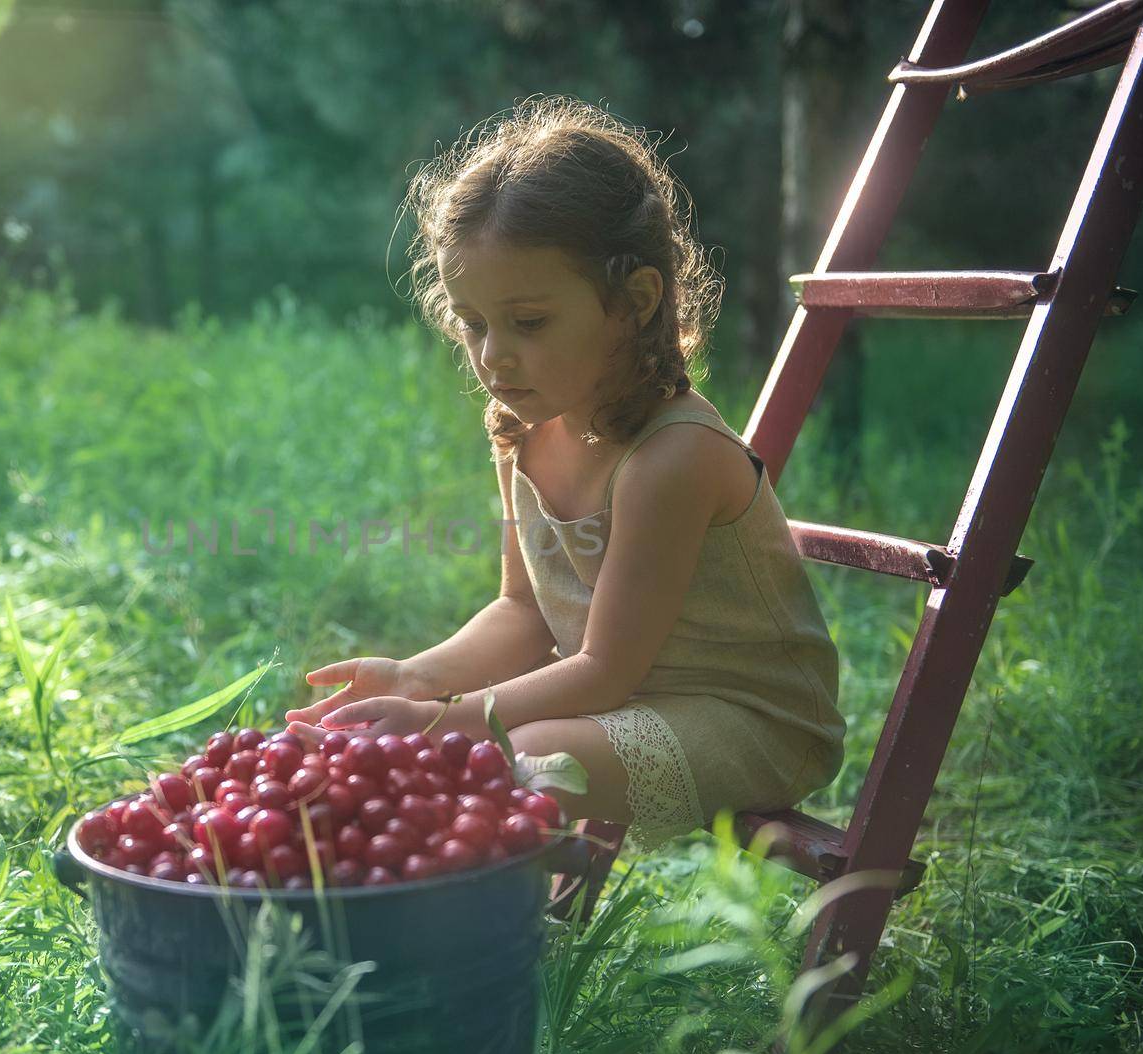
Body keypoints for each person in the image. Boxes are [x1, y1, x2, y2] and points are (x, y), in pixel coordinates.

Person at [286, 95, 843, 850]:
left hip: (747, 720)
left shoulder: (670, 457)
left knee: (521, 756)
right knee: (505, 747)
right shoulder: (523, 427)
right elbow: (522, 613)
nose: (493, 356)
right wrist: (417, 679)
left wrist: (441, 722)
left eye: (530, 322)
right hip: (630, 700)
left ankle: (487, 941)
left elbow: (605, 667)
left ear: (635, 302)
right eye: (472, 323)